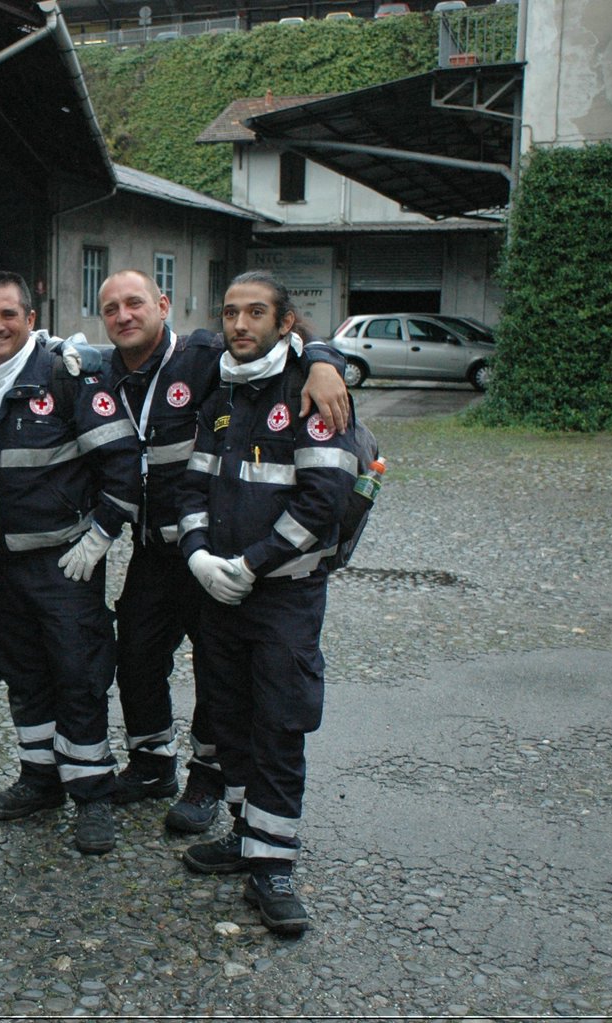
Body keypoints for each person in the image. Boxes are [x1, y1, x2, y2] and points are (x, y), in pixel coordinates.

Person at [97, 270, 350, 835]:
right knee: (135, 654)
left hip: (218, 545)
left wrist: (327, 362)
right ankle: (151, 762)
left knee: (218, 673)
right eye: (111, 308)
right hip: (158, 548)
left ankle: (207, 781)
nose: (124, 316)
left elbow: (283, 345)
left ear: (163, 305)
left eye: (135, 303)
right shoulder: (98, 370)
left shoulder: (206, 353)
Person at [175, 271, 357, 934]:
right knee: (229, 721)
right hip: (220, 593)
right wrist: (197, 554)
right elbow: (192, 486)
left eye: (256, 313)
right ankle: (248, 836)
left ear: (286, 324)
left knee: (279, 726)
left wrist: (250, 566)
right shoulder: (221, 393)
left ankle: (274, 866)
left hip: (282, 596)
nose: (240, 325)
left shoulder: (312, 390)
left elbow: (324, 503)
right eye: (230, 313)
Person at [0, 271, 140, 855]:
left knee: (80, 677)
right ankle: (40, 779)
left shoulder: (68, 378)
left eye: (9, 314)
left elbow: (123, 464)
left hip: (64, 567)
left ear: (31, 321)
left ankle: (92, 794)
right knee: (23, 672)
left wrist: (98, 540)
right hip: (2, 564)